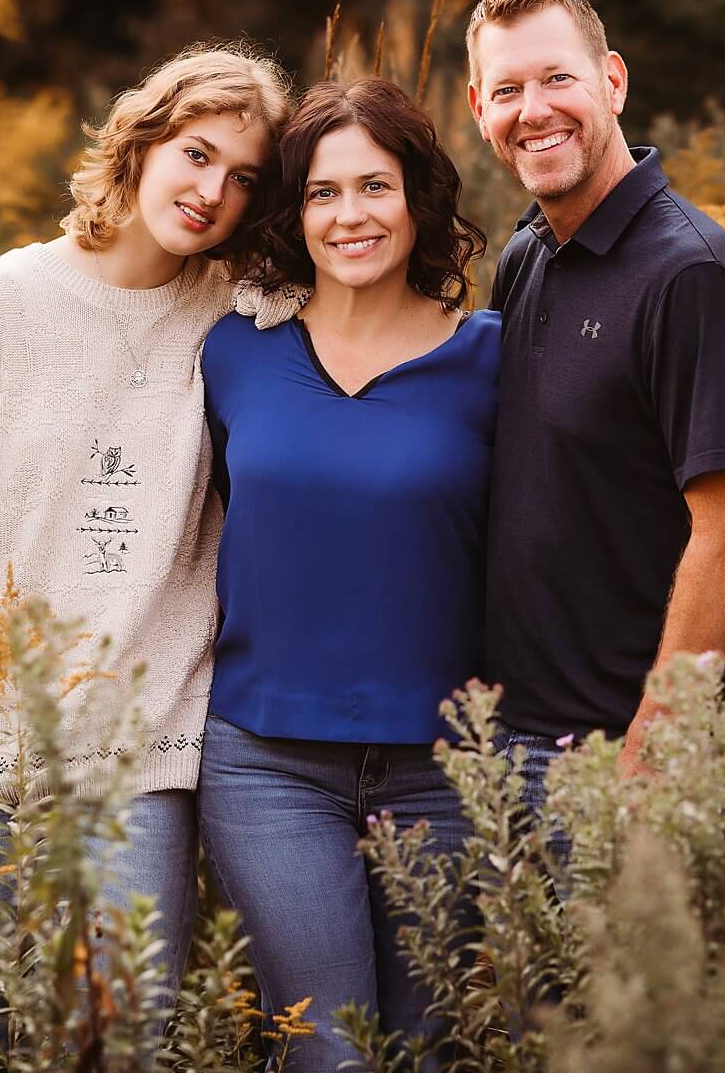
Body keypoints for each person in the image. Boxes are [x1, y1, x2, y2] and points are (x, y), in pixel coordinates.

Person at [0, 44, 295, 1061]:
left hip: (140, 752)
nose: (211, 190)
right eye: (195, 153)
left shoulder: (246, 317)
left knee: (132, 1039)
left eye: (243, 178)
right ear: (138, 144)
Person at [199, 76, 498, 1069]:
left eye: (373, 186)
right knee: (331, 1053)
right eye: (322, 193)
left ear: (417, 197)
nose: (348, 215)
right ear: (295, 212)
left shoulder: (495, 361)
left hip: (444, 770)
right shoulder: (231, 351)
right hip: (266, 762)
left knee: (423, 1049)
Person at [464, 0, 725, 810]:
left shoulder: (691, 274)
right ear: (478, 108)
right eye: (507, 90)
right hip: (511, 745)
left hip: (631, 760)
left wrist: (658, 745)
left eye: (559, 78)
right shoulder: (526, 256)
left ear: (613, 80)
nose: (535, 110)